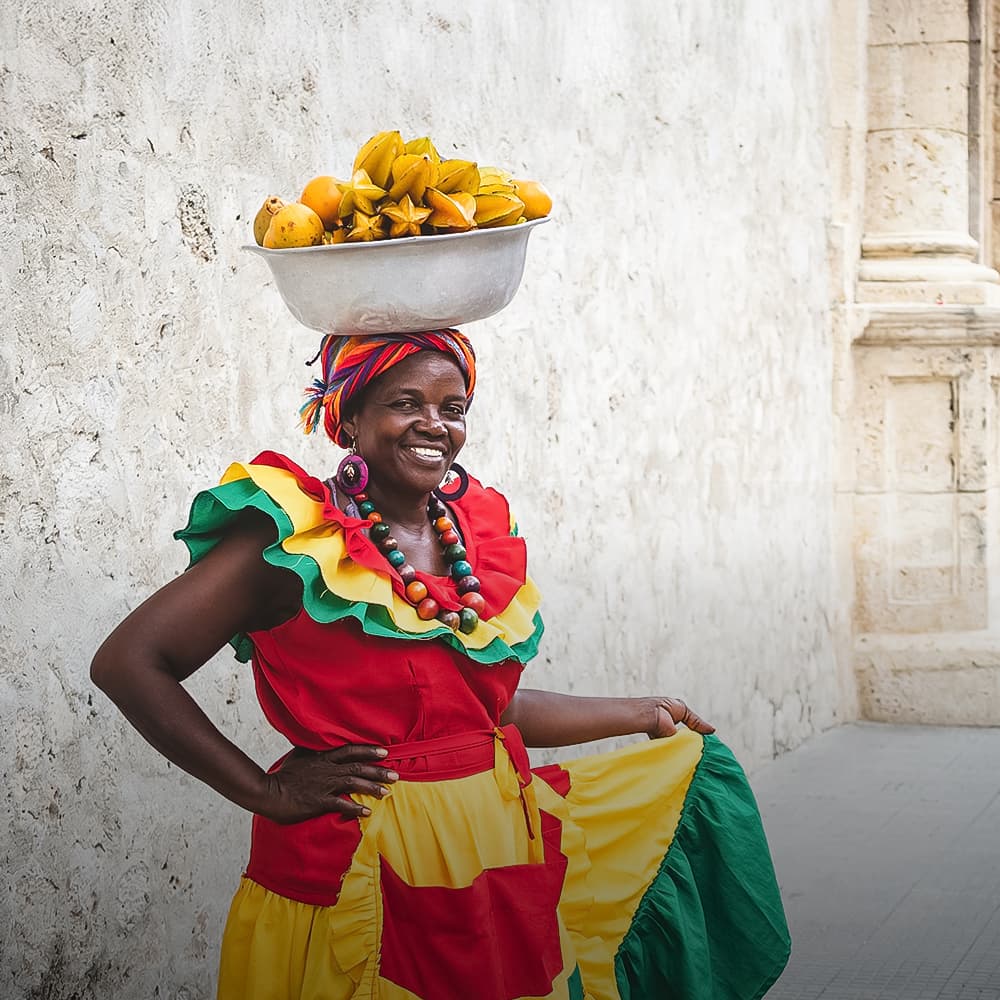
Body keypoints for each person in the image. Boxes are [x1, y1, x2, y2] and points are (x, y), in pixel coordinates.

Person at [92, 329, 790, 1000]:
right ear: (348, 417)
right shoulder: (294, 542)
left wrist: (638, 712)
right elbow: (129, 662)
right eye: (405, 403)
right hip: (358, 865)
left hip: (490, 854)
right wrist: (264, 792)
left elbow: (484, 715)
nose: (434, 425)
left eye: (452, 408)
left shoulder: (473, 541)